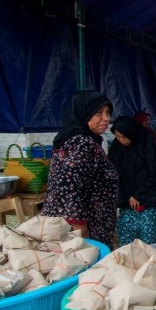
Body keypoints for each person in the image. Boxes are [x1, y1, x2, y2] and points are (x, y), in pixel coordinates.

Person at [42, 90, 118, 248]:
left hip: (89, 222)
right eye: (99, 113)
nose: (106, 118)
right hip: (85, 228)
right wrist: (80, 230)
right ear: (84, 113)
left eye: (108, 112)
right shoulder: (81, 142)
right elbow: (70, 186)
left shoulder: (77, 139)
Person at [107, 117, 156, 246]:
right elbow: (114, 173)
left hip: (150, 199)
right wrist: (127, 195)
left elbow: (154, 172)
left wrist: (138, 194)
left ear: (132, 132)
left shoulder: (146, 143)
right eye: (118, 136)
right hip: (127, 201)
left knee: (148, 240)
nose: (121, 140)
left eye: (124, 136)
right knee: (127, 240)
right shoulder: (116, 148)